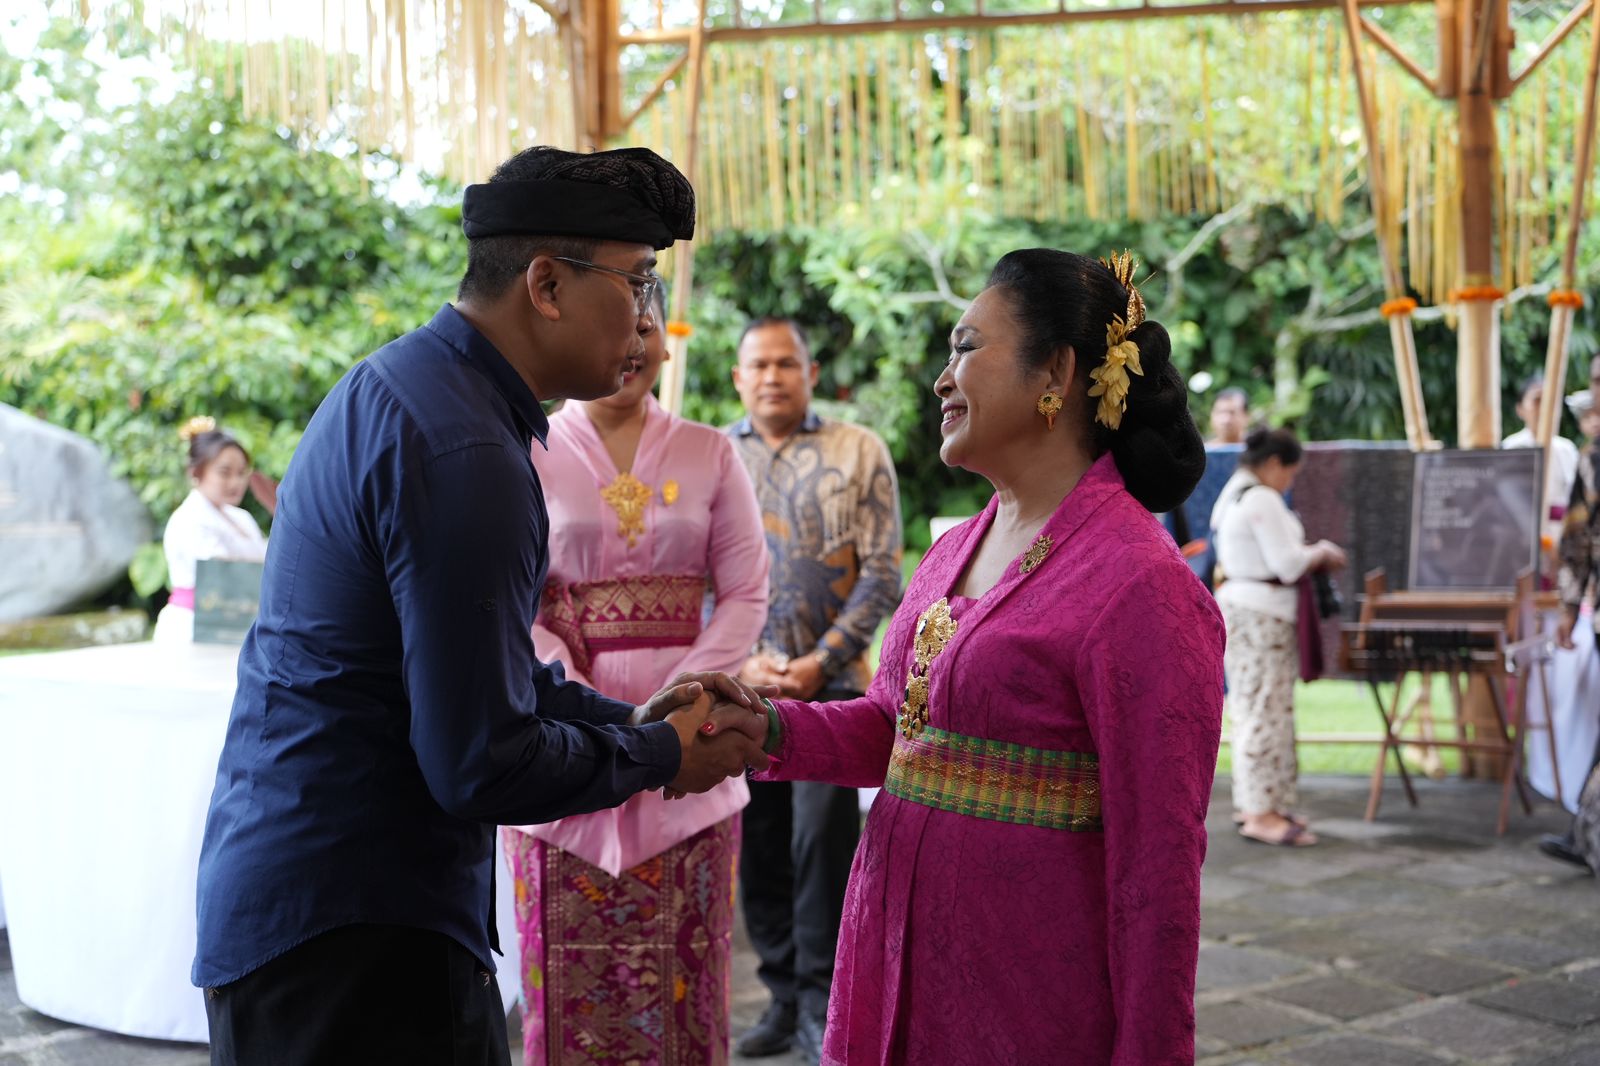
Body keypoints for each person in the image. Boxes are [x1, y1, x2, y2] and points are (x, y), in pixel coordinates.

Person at [192, 146, 773, 1066]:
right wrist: (660, 752)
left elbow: (490, 673)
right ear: (546, 284)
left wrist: (631, 716)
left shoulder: (409, 389)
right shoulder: (466, 450)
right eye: (637, 284)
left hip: (321, 902)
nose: (647, 322)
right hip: (360, 934)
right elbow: (479, 761)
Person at [733, 250, 1224, 1063]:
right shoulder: (954, 548)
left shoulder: (1142, 584)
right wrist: (765, 730)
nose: (941, 377)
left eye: (966, 347)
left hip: (1025, 995)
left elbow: (1159, 875)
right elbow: (898, 732)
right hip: (888, 957)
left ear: (1056, 372)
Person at [502, 284, 770, 1065]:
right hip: (561, 732)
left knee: (688, 982)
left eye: (644, 326)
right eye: (615, 324)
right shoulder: (527, 447)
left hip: (697, 734)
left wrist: (685, 702)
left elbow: (747, 590)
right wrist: (569, 686)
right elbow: (513, 603)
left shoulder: (712, 450)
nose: (629, 344)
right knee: (562, 983)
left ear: (663, 343)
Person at [727, 317, 903, 1062]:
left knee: (819, 845)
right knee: (760, 843)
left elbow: (883, 572)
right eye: (758, 365)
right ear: (738, 377)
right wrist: (749, 665)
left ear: (810, 371)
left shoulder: (856, 449)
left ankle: (823, 999)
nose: (772, 377)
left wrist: (817, 661)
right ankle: (780, 992)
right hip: (743, 687)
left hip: (829, 687)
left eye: (786, 364)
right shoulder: (717, 457)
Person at [1212, 426, 1346, 848]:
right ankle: (1260, 813)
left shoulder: (1233, 490)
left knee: (1257, 708)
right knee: (1262, 712)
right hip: (1261, 614)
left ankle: (1262, 804)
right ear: (1273, 464)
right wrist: (1321, 551)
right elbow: (1288, 564)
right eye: (1290, 473)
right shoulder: (1262, 498)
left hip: (1245, 609)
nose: (1290, 483)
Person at [1542, 355, 1600, 873]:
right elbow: (1578, 539)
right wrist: (1567, 605)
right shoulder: (1592, 457)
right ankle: (1584, 833)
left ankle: (1584, 833)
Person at [152, 417, 270, 644]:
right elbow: (222, 571)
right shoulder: (188, 519)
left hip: (239, 622)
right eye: (225, 472)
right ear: (197, 472)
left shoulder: (241, 517)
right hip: (192, 626)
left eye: (241, 472)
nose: (235, 482)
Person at [1503, 372, 1580, 544]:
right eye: (1537, 400)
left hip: (1561, 542)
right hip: (1519, 542)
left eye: (1550, 400)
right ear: (1520, 409)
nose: (1545, 407)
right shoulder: (1511, 449)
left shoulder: (1567, 450)